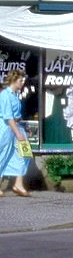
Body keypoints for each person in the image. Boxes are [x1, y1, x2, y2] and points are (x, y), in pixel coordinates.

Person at [0, 69, 32, 197]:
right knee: (3, 154)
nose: (22, 83)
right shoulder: (5, 95)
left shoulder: (15, 95)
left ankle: (18, 184)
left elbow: (17, 115)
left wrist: (23, 128)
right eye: (20, 80)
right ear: (13, 80)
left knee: (24, 154)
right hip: (7, 128)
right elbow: (8, 117)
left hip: (17, 125)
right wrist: (18, 133)